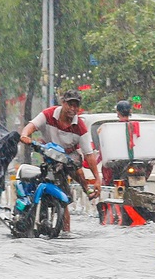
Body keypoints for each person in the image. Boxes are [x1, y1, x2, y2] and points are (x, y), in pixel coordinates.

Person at [19, 89, 102, 231]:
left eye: (76, 105)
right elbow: (30, 127)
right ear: (63, 103)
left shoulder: (80, 127)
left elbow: (88, 154)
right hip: (49, 156)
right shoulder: (48, 114)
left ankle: (67, 229)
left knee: (67, 193)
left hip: (70, 157)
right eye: (70, 104)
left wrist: (97, 179)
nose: (72, 108)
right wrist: (25, 135)